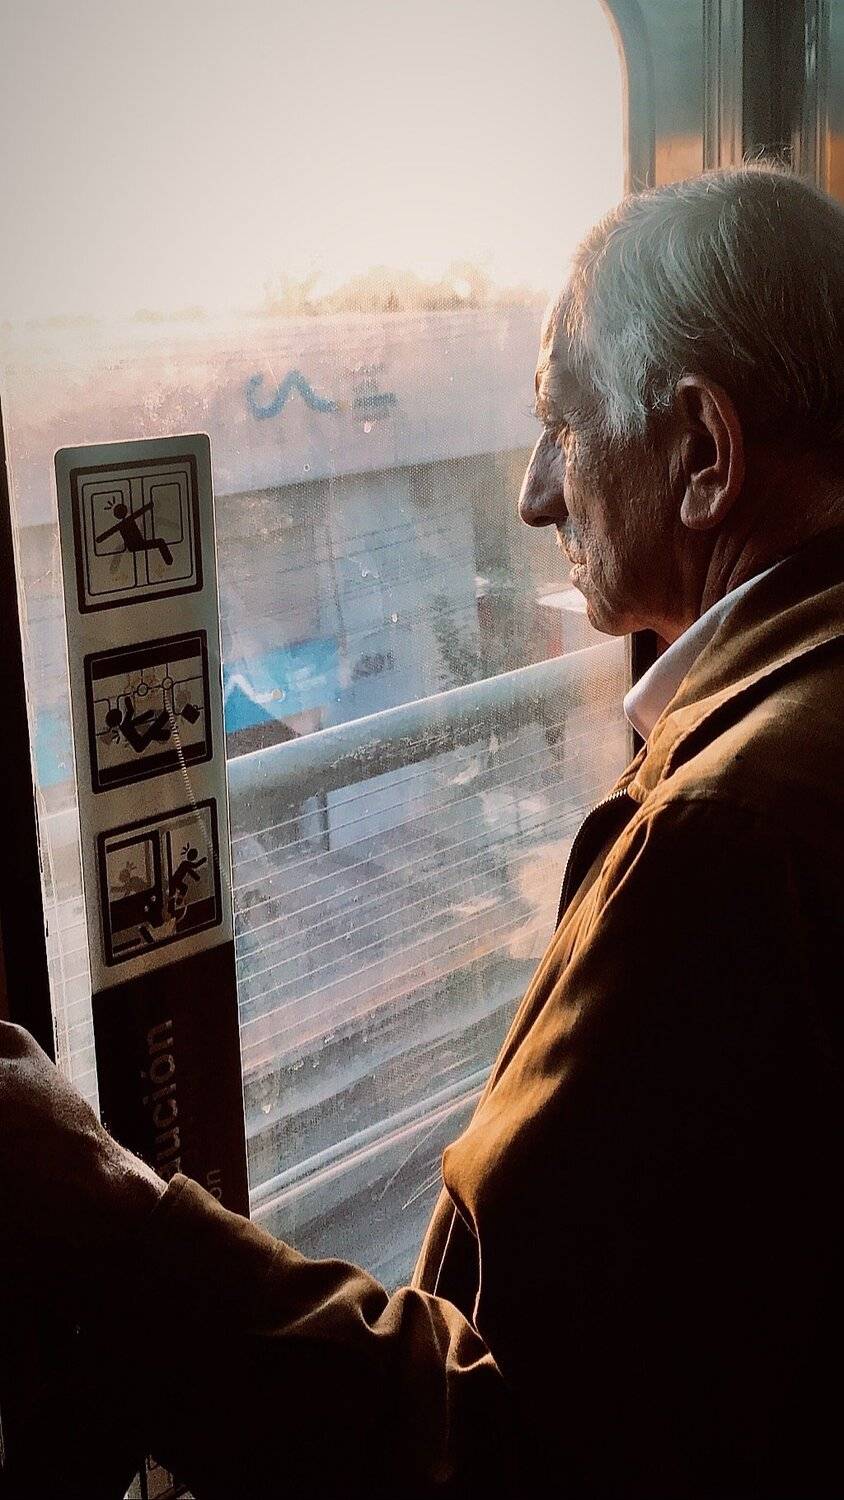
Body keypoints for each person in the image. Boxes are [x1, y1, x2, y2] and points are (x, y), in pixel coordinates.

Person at [2, 163, 843, 1498]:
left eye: (561, 426)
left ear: (704, 455)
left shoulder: (725, 840)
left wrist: (106, 1210)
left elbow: (503, 1451)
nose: (534, 497)